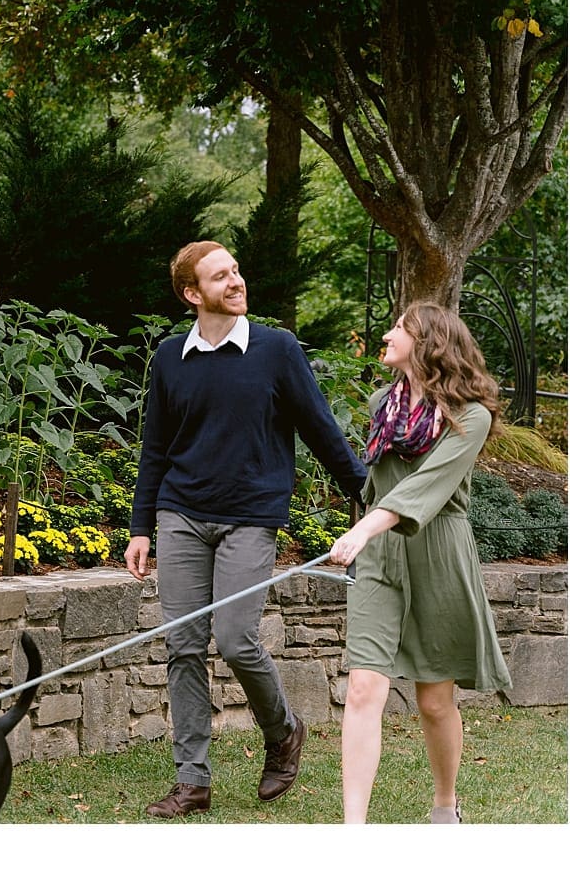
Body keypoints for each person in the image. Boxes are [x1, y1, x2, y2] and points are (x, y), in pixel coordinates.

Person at [123, 240, 368, 819]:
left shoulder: (276, 350)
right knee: (182, 644)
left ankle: (283, 732)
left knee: (234, 638)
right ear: (192, 294)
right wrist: (140, 527)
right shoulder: (168, 358)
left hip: (250, 518)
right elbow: (155, 447)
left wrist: (369, 495)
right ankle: (192, 781)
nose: (235, 281)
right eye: (220, 276)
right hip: (180, 515)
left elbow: (319, 428)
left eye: (236, 269)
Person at [325, 301, 513, 824]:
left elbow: (426, 487)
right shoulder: (382, 403)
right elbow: (373, 482)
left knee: (434, 702)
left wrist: (363, 527)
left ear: (427, 343)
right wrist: (363, 528)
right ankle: (352, 832)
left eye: (398, 328)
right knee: (364, 688)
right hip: (381, 557)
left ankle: (445, 807)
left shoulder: (471, 418)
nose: (386, 334)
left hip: (439, 554)